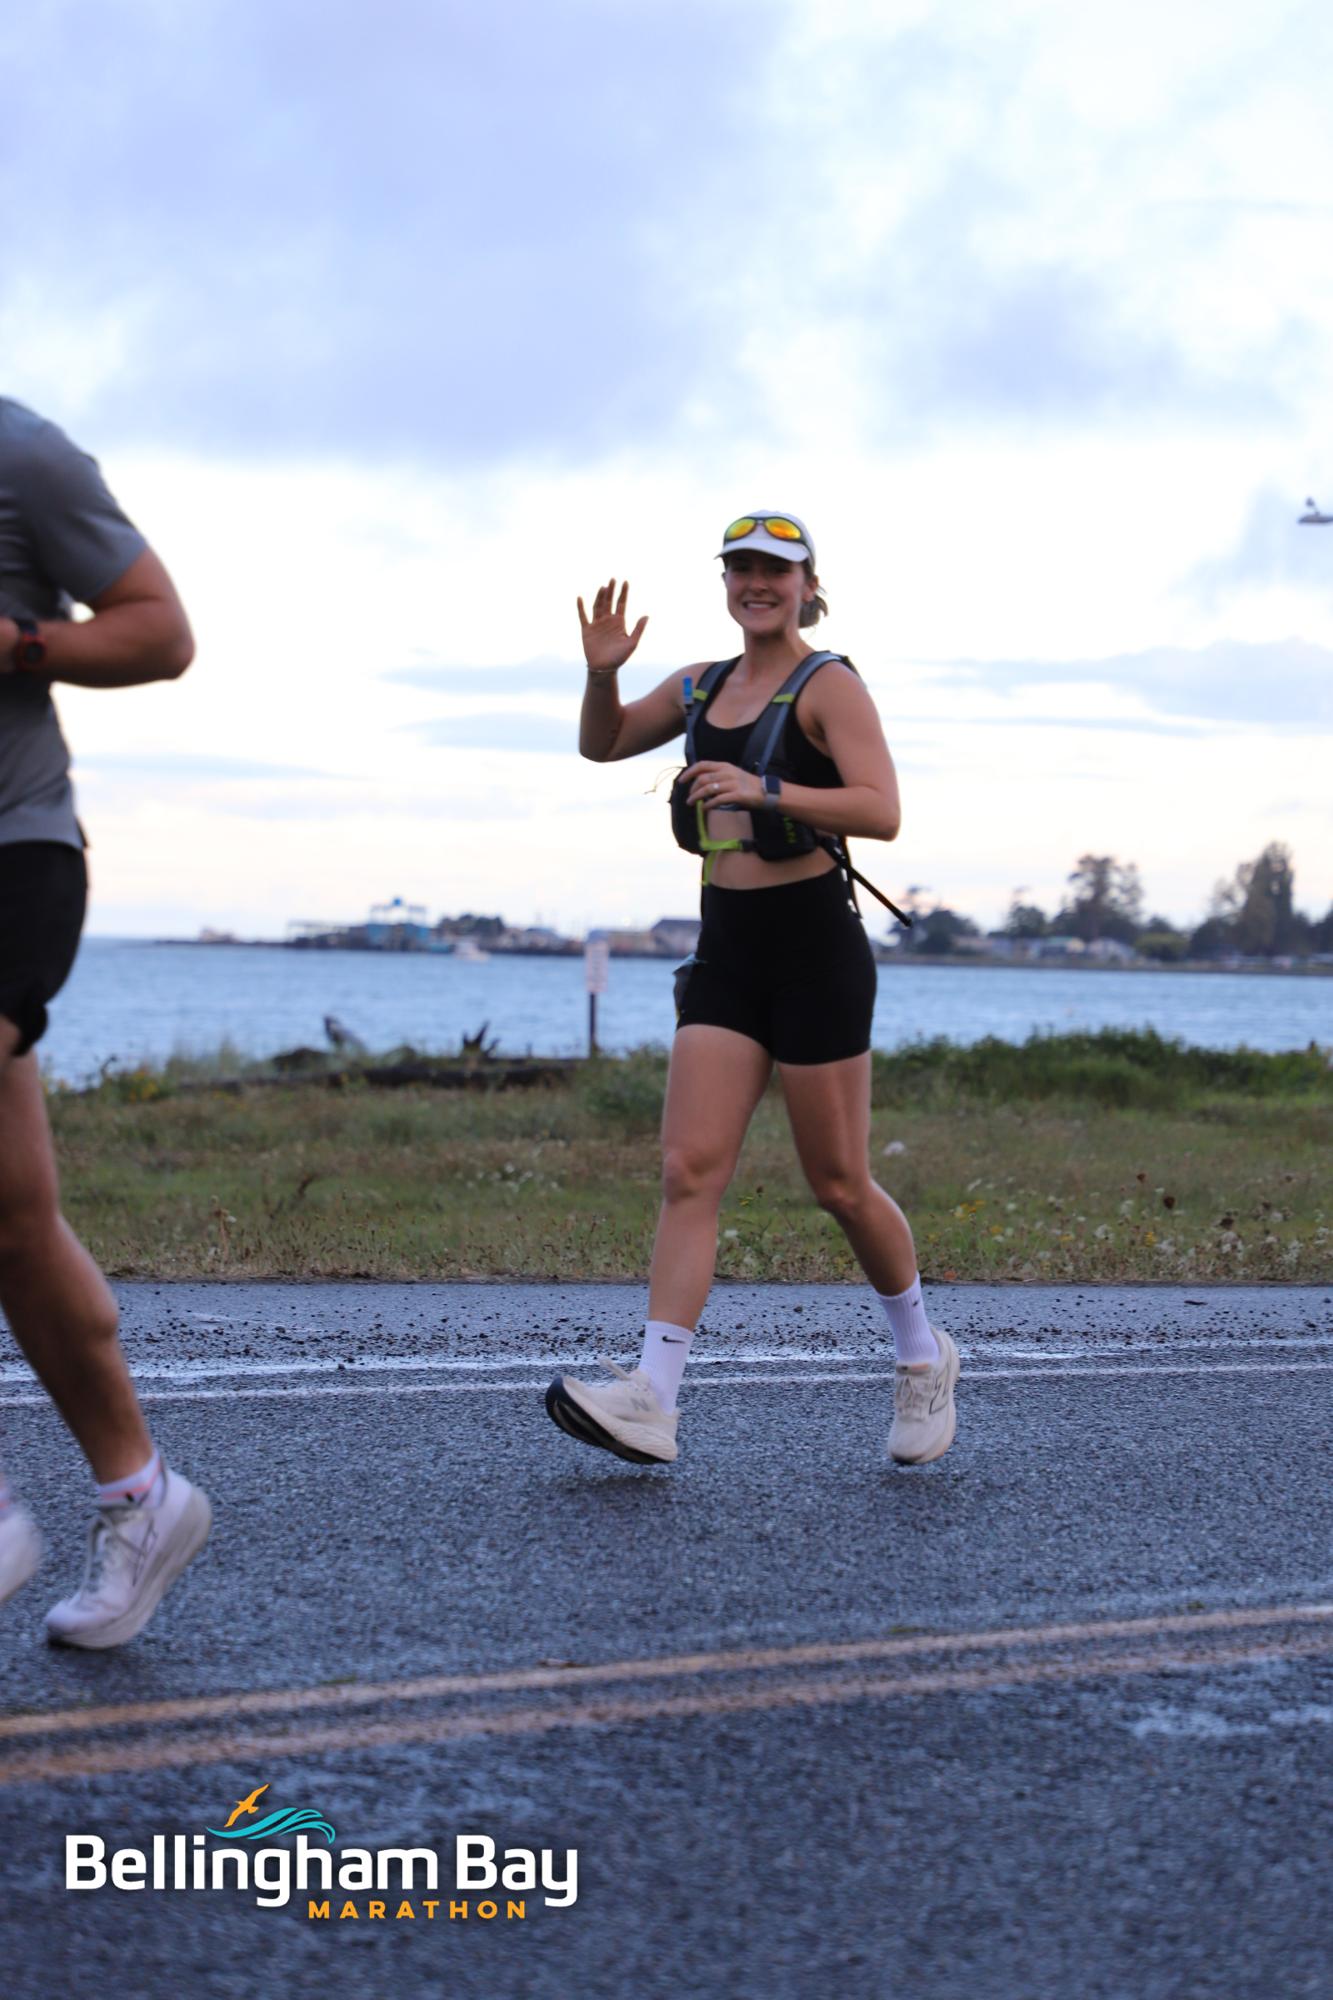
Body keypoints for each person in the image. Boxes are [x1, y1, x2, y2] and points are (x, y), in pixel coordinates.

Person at [546, 511, 959, 1469]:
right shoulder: (700, 684)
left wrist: (762, 790)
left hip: (815, 951)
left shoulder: (829, 685)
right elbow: (603, 745)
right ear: (726, 584)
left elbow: (880, 809)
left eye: (775, 570)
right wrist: (602, 674)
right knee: (688, 1171)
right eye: (740, 569)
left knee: (838, 1183)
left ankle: (921, 1356)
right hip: (727, 952)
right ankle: (651, 1398)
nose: (756, 584)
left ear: (808, 586)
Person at [0, 396, 212, 1645]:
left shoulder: (23, 454)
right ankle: (144, 1495)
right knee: (17, 1224)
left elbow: (160, 630)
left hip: (13, 853)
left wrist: (20, 640)